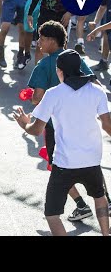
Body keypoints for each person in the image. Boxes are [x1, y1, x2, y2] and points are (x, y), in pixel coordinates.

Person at [13, 48, 110, 236]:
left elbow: (36, 129)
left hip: (65, 164)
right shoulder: (97, 92)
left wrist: (24, 124)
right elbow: (107, 125)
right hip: (92, 161)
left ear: (60, 71)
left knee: (52, 214)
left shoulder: (53, 94)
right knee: (100, 197)